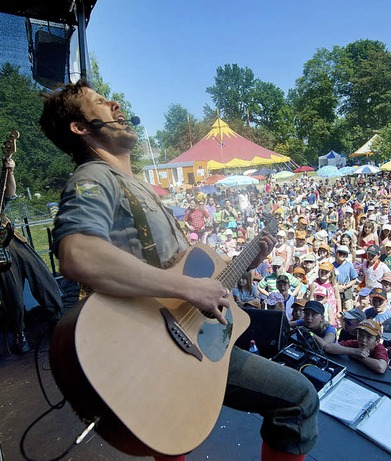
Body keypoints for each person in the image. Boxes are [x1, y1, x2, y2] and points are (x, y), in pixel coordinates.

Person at [42, 82, 317, 461]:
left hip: (177, 339)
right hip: (162, 336)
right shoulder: (95, 177)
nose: (116, 103)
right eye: (101, 103)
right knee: (299, 399)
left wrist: (244, 264)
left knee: (170, 427)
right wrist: (190, 289)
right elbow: (79, 255)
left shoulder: (135, 185)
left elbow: (185, 273)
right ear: (80, 127)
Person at [0, 156, 63, 353]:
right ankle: (20, 333)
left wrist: (9, 172)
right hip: (0, 252)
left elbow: (9, 193)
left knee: (44, 280)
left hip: (14, 240)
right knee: (14, 298)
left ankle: (57, 321)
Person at [322, 319, 389, 374]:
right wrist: (353, 351)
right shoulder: (355, 343)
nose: (363, 340)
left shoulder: (379, 349)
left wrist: (359, 357)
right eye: (361, 335)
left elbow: (381, 367)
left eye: (369, 337)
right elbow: (327, 347)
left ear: (377, 341)